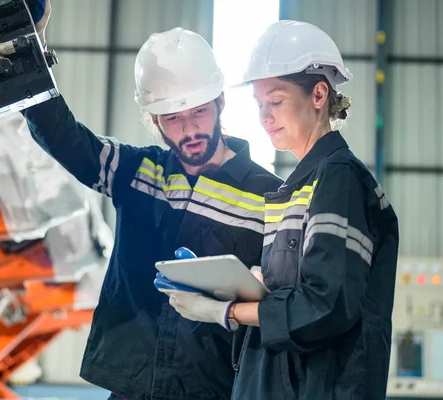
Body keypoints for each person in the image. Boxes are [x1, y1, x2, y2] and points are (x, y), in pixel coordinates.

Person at [23, 2, 283, 399]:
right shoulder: (140, 172)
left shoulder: (269, 196)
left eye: (198, 112)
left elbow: (285, 302)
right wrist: (29, 47)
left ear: (220, 104)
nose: (190, 129)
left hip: (211, 388)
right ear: (154, 121)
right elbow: (63, 136)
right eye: (173, 119)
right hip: (132, 385)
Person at [160, 20, 399, 399]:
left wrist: (227, 312)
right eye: (258, 104)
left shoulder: (338, 178)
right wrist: (242, 285)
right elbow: (300, 291)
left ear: (319, 95)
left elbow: (325, 304)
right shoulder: (298, 187)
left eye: (275, 101)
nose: (264, 117)